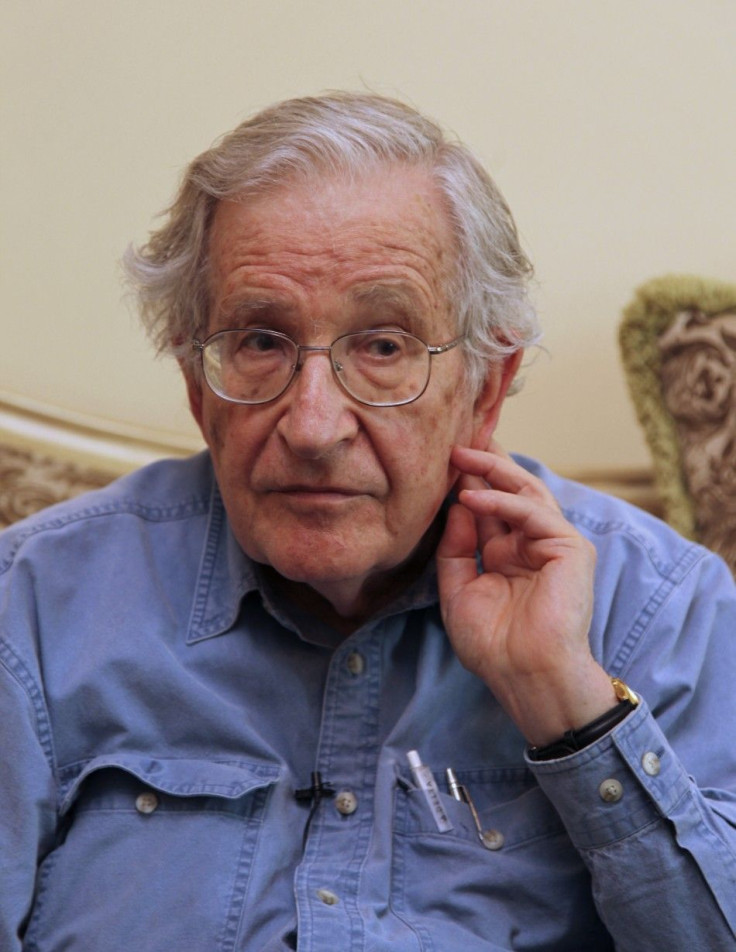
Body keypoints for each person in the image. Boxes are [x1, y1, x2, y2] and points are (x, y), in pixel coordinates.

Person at [1, 92, 735, 952]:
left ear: (484, 389)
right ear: (198, 389)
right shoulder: (36, 608)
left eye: (383, 347)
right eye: (261, 342)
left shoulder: (661, 608)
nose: (314, 426)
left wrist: (569, 705)